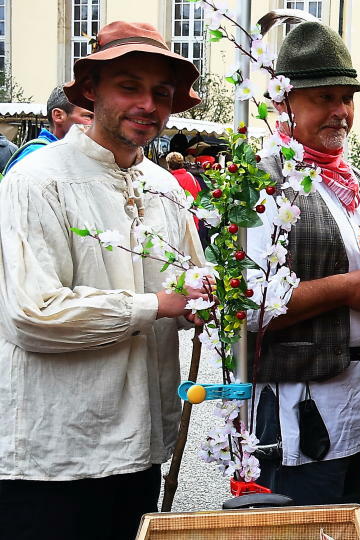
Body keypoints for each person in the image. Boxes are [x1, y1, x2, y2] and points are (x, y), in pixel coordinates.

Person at [0, 21, 204, 540]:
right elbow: (33, 315)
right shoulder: (35, 180)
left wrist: (210, 297)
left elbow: (188, 285)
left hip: (140, 449)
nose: (147, 105)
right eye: (129, 86)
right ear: (90, 91)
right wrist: (156, 304)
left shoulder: (164, 187)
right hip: (56, 457)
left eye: (161, 93)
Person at [247, 21, 360, 506]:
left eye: (347, 98)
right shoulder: (262, 181)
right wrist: (344, 288)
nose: (340, 111)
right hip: (304, 417)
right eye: (324, 98)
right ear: (284, 102)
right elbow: (246, 309)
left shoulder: (354, 180)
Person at [3, 85, 94, 173]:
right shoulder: (37, 156)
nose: (96, 123)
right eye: (88, 116)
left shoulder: (72, 153)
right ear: (58, 116)